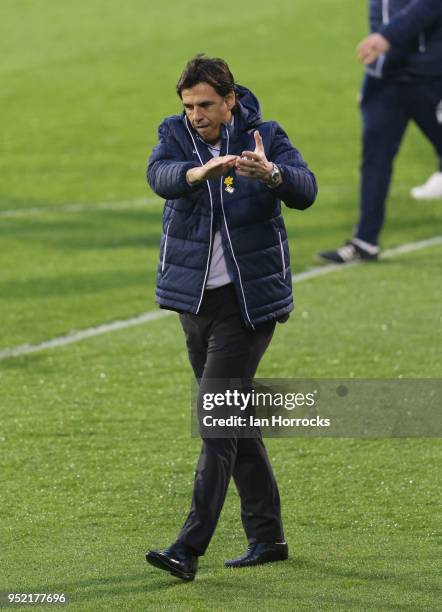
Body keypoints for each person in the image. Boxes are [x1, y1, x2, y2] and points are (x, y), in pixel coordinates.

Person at [144, 55, 317, 581]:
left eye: (205, 105)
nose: (196, 114)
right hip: (196, 304)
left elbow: (306, 190)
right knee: (235, 419)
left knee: (217, 422)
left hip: (248, 307)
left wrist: (272, 173)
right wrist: (200, 172)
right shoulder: (175, 133)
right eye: (189, 105)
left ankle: (187, 547)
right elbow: (160, 175)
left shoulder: (265, 134)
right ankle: (268, 536)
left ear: (230, 100)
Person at [319, 0, 442, 264]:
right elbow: (379, 22)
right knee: (375, 160)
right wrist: (370, 78)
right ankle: (365, 241)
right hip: (384, 80)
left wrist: (388, 37)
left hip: (430, 75)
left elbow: (429, 6)